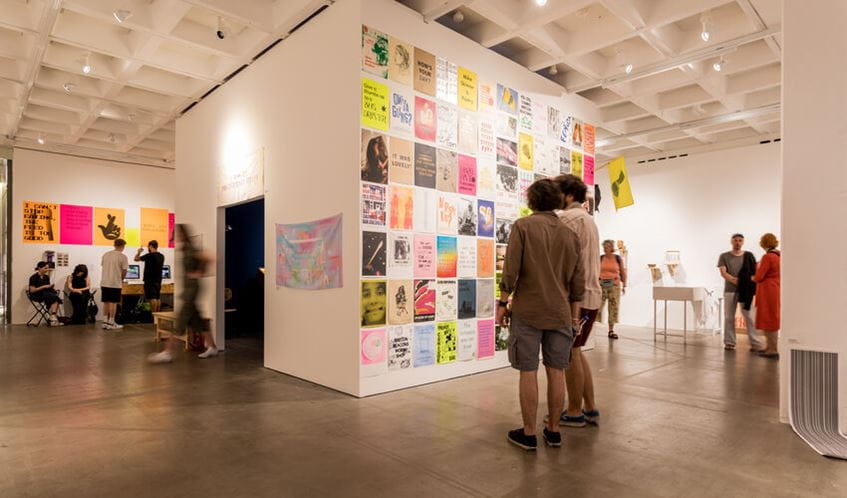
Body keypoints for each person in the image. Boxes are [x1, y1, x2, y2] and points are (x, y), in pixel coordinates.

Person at [498, 178, 585, 451]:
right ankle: (554, 430)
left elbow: (511, 270)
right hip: (560, 313)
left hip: (528, 311)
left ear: (531, 201)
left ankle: (528, 433)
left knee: (528, 371)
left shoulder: (523, 227)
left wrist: (502, 303)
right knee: (556, 371)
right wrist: (574, 319)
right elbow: (577, 283)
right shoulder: (570, 235)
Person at [554, 174, 602, 428]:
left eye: (557, 192)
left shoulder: (567, 219)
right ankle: (590, 407)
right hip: (590, 297)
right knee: (577, 352)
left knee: (570, 354)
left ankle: (574, 411)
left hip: (576, 299)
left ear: (569, 195)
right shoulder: (588, 219)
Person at [149, 224, 218, 362]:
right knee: (197, 321)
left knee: (181, 320)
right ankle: (212, 347)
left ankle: (167, 352)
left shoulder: (190, 249)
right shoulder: (185, 249)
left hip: (192, 291)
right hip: (189, 290)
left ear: (182, 235)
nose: (176, 238)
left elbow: (211, 257)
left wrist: (200, 273)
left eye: (177, 235)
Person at [717, 234, 762, 351]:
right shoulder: (724, 256)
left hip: (745, 290)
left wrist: (744, 282)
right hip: (730, 290)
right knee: (728, 317)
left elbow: (754, 272)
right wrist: (735, 280)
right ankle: (729, 342)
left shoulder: (748, 256)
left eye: (740, 240)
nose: (737, 242)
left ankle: (755, 342)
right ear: (731, 242)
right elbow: (723, 272)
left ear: (743, 242)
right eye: (735, 240)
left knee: (749, 316)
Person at [752, 233, 781, 358]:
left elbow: (759, 276)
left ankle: (772, 349)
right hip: (775, 288)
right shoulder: (779, 256)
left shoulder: (768, 257)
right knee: (772, 317)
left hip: (767, 290)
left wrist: (751, 276)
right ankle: (769, 346)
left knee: (768, 319)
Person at [599, 239, 627, 340]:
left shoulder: (617, 258)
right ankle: (591, 329)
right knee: (597, 307)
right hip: (601, 285)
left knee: (613, 308)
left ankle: (611, 330)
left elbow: (622, 272)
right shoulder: (601, 258)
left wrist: (624, 284)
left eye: (607, 247)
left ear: (611, 248)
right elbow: (596, 271)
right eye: (604, 247)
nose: (605, 249)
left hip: (614, 286)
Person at [101, 238, 129, 330]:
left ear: (114, 245)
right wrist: (121, 279)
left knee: (106, 302)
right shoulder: (123, 257)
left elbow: (104, 267)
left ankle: (105, 322)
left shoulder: (106, 254)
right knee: (113, 303)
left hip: (104, 282)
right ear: (123, 246)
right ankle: (112, 322)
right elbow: (124, 270)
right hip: (115, 283)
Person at [28, 261, 63, 326]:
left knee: (55, 297)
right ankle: (53, 318)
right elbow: (32, 291)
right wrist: (44, 286)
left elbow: (47, 287)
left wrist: (50, 287)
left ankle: (53, 316)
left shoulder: (46, 277)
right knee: (54, 297)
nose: (47, 270)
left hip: (45, 294)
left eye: (47, 268)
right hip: (37, 295)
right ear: (39, 268)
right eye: (45, 268)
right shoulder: (33, 277)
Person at [135, 240, 165, 313]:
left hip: (149, 280)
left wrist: (139, 252)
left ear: (151, 246)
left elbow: (136, 259)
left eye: (148, 246)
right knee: (157, 298)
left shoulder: (149, 255)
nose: (148, 248)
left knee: (152, 298)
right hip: (158, 280)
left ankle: (154, 316)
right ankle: (157, 316)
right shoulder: (161, 256)